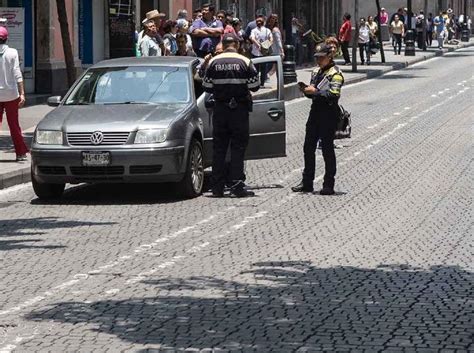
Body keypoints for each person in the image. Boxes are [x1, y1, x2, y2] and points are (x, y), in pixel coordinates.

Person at [202, 33, 260, 198]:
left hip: (220, 109)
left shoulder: (213, 62)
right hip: (239, 110)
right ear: (236, 44)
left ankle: (217, 187)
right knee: (238, 148)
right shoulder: (245, 61)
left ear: (223, 43)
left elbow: (206, 86)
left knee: (219, 149)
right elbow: (255, 86)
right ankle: (236, 185)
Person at [292, 43, 344, 195]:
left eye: (321, 58)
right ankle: (307, 183)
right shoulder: (316, 72)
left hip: (329, 114)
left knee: (327, 149)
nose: (319, 61)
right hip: (315, 113)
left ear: (329, 57)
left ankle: (328, 184)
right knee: (308, 147)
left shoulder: (336, 74)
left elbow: (334, 95)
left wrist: (315, 92)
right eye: (317, 58)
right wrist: (307, 90)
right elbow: (313, 91)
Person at [0, 27, 28, 162]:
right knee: (14, 125)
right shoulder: (12, 52)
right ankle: (20, 153)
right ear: (6, 39)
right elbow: (17, 73)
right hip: (11, 95)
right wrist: (22, 93)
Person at [250, 15, 273, 87]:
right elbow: (271, 40)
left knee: (258, 69)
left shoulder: (265, 30)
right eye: (257, 21)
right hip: (259, 52)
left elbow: (252, 39)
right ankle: (261, 83)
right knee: (261, 69)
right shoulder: (266, 30)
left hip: (258, 52)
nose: (258, 22)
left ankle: (259, 83)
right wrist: (264, 46)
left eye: (259, 21)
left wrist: (261, 46)